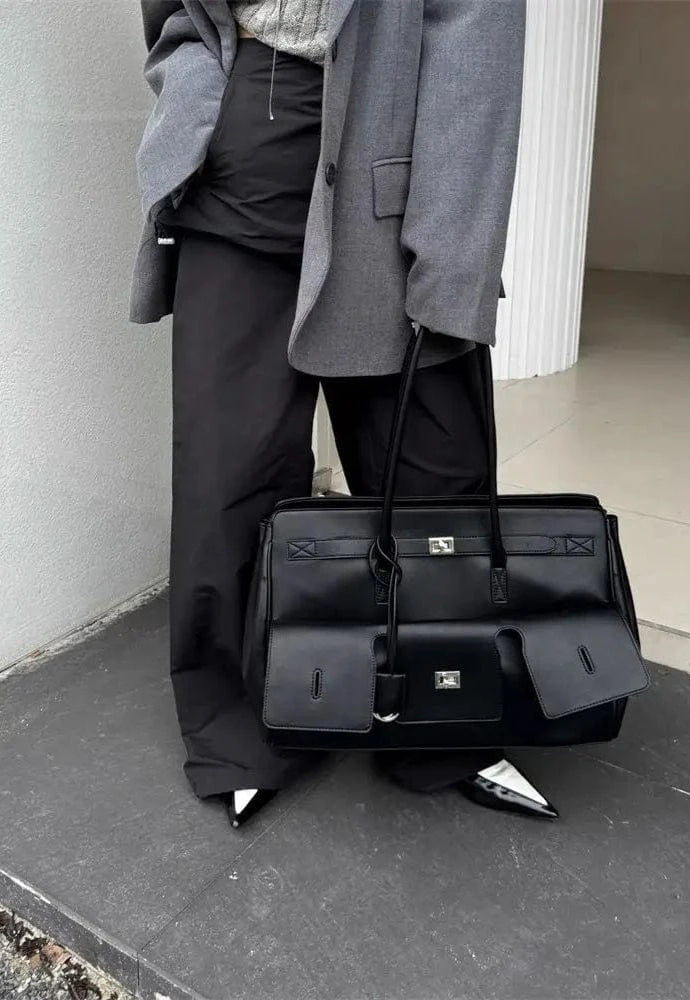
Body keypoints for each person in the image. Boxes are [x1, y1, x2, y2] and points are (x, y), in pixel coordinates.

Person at [132, 0, 557, 827]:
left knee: (435, 472)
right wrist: (190, 85)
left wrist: (455, 253)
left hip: (389, 160)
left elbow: (475, 39)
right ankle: (241, 731)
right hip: (232, 163)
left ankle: (444, 726)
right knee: (228, 472)